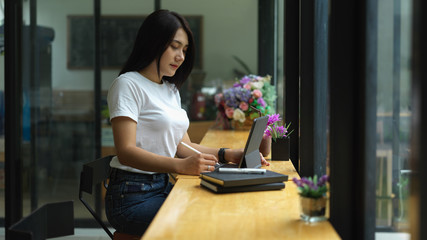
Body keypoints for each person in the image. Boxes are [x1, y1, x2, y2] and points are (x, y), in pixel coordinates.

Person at [105, 9, 269, 236]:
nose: (181, 56)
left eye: (184, 49)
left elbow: (182, 146)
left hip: (163, 187)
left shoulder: (170, 89)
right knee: (201, 223)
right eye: (174, 46)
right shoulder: (127, 85)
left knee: (219, 208)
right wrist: (180, 166)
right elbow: (126, 152)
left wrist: (227, 154)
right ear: (153, 42)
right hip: (132, 196)